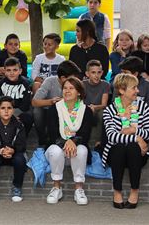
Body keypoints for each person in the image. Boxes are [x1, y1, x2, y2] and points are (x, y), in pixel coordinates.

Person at [102, 74, 149, 209]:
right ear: (121, 90)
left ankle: (134, 191)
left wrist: (134, 131)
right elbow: (112, 137)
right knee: (120, 147)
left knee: (132, 147)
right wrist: (138, 138)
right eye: (134, 88)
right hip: (115, 154)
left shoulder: (142, 107)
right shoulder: (109, 110)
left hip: (137, 154)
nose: (137, 91)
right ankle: (117, 191)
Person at [45, 77, 92, 205]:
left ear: (79, 92)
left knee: (81, 150)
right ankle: (56, 188)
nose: (67, 91)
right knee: (55, 150)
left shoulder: (86, 111)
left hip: (76, 148)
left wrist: (73, 141)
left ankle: (79, 189)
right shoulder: (54, 109)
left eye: (71, 88)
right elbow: (52, 133)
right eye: (65, 88)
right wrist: (67, 142)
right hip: (57, 145)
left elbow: (85, 134)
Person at [32, 60, 82, 146]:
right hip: (49, 111)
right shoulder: (50, 81)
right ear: (63, 78)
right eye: (72, 78)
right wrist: (51, 101)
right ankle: (42, 137)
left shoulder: (76, 83)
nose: (75, 80)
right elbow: (34, 102)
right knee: (37, 111)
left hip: (69, 113)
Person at [0, 96, 27, 202]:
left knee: (20, 160)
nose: (6, 111)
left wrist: (12, 150)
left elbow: (22, 145)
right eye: (2, 108)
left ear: (13, 110)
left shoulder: (19, 125)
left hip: (14, 152)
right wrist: (1, 150)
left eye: (9, 108)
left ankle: (17, 188)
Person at [0, 57, 33, 134]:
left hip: (20, 111)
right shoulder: (0, 84)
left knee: (28, 118)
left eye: (15, 70)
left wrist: (13, 114)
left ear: (20, 71)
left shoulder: (25, 83)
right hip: (4, 110)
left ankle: (22, 140)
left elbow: (25, 104)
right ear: (4, 71)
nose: (11, 73)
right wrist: (6, 113)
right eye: (8, 70)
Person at [83, 60, 109, 147]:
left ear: (102, 73)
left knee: (103, 113)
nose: (96, 75)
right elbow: (80, 102)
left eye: (99, 72)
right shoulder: (83, 84)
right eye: (93, 72)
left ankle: (98, 140)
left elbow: (104, 104)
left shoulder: (105, 85)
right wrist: (89, 108)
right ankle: (83, 139)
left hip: (99, 109)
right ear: (87, 74)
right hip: (85, 108)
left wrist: (94, 107)